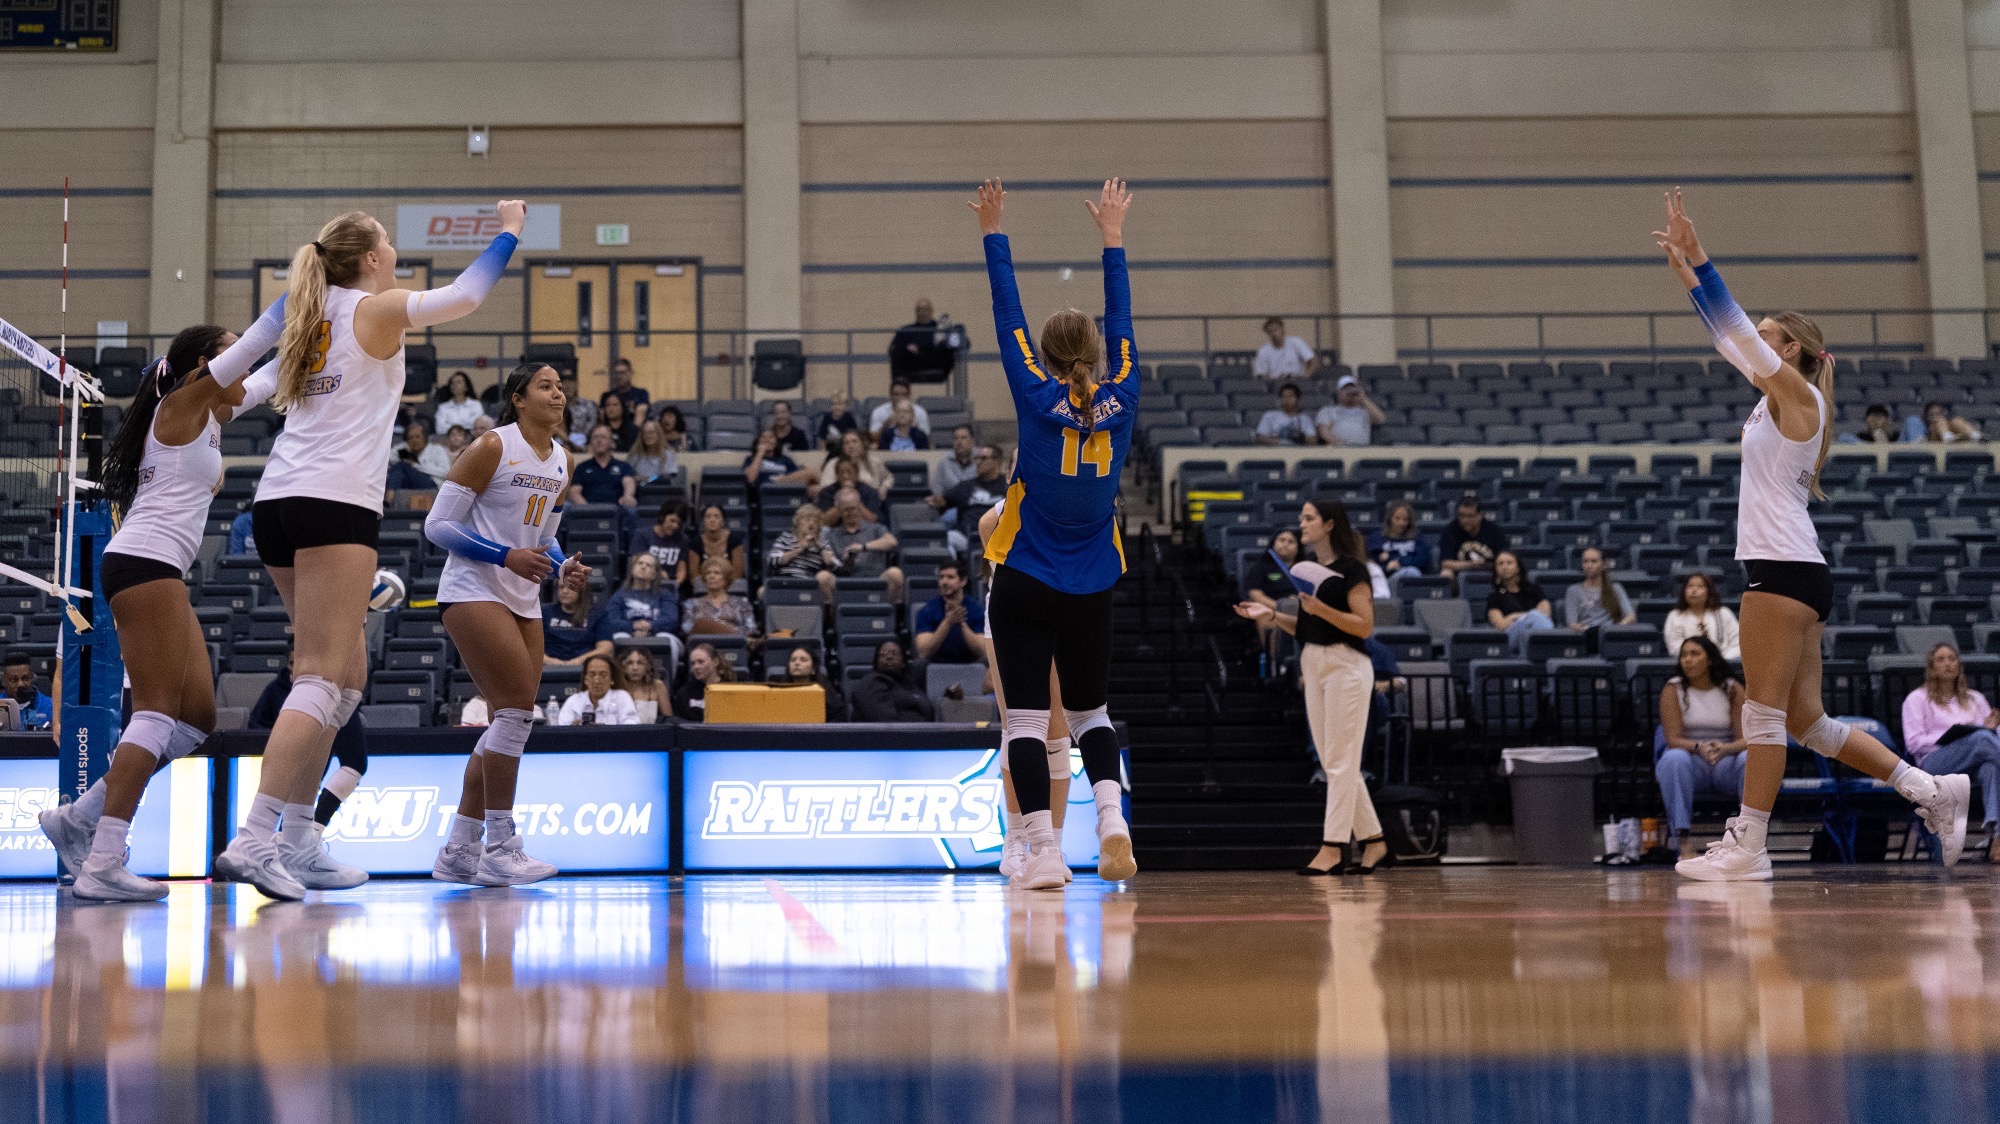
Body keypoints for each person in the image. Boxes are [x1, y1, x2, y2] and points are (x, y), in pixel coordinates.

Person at [196, 199, 524, 900]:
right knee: (320, 676)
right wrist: (509, 231)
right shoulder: (370, 308)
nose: (395, 257)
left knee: (345, 678)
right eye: (388, 247)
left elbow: (243, 384)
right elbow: (466, 295)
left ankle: (299, 838)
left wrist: (205, 402)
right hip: (333, 502)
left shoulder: (304, 309)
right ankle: (254, 839)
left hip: (279, 502)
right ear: (371, 258)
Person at [1654, 187, 1967, 879]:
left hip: (1780, 570)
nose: (1754, 343)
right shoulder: (1778, 398)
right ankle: (1932, 789)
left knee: (1761, 719)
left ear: (1791, 349)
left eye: (1768, 336)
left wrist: (1702, 259)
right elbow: (1729, 334)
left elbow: (1732, 328)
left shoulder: (1799, 395)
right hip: (1798, 570)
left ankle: (1749, 847)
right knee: (1808, 726)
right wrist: (1689, 274)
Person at [35, 328, 270, 899]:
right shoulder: (182, 401)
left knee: (196, 721)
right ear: (202, 364)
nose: (242, 360)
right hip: (144, 562)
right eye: (230, 350)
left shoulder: (209, 417)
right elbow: (254, 353)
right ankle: (103, 862)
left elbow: (263, 381)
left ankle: (81, 817)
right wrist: (307, 298)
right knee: (158, 713)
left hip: (160, 569)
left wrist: (325, 336)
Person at [972, 175, 1139, 889]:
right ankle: (1111, 819)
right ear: (1099, 356)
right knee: (1093, 711)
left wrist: (993, 232)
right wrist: (1113, 238)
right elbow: (1122, 315)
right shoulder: (1125, 388)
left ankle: (1041, 852)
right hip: (1092, 581)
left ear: (1040, 357)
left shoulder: (1036, 399)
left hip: (1025, 580)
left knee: (1025, 726)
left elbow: (1004, 309)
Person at [425, 361, 590, 885]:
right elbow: (438, 525)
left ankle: (459, 849)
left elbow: (545, 535)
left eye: (561, 387)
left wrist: (562, 565)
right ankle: (501, 844)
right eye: (546, 386)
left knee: (508, 721)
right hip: (472, 589)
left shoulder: (563, 460)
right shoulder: (493, 446)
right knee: (518, 715)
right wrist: (504, 556)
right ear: (519, 398)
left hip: (523, 596)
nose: (558, 394)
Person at [1233, 497, 1384, 875]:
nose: (1302, 524)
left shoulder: (1352, 570)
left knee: (1339, 761)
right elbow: (1307, 627)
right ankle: (1375, 840)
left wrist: (1323, 610)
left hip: (1346, 666)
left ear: (1330, 524)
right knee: (1336, 760)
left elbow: (1363, 626)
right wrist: (1272, 615)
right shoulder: (1310, 569)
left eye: (1309, 517)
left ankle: (1333, 847)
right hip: (1313, 661)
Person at [976, 500, 1074, 883]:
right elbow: (987, 526)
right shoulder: (1011, 504)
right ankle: (1016, 841)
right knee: (1016, 726)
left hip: (1065, 610)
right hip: (1012, 612)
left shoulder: (1076, 498)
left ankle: (1051, 846)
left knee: (1058, 733)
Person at [246, 657, 369, 848]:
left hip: (336, 687)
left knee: (340, 767)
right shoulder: (278, 689)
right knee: (314, 772)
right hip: (326, 684)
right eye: (292, 661)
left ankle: (296, 838)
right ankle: (262, 838)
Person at [1901, 643, 2000, 861]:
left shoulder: (1976, 699)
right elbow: (1914, 743)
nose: (1948, 663)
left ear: (1959, 665)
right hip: (1935, 763)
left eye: (1952, 658)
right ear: (1932, 667)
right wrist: (1953, 738)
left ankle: (1998, 836)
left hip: (1976, 761)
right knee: (1981, 738)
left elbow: (1993, 737)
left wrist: (1992, 730)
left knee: (1991, 767)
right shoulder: (1916, 699)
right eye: (1941, 659)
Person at [1655, 636, 1748, 856]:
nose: (1687, 660)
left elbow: (1746, 738)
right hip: (1692, 759)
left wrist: (1724, 749)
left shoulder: (1732, 688)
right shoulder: (1673, 689)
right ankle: (1683, 841)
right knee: (1673, 758)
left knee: (1750, 758)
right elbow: (1672, 738)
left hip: (1726, 759)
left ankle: (1748, 841)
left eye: (1694, 654)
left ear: (1710, 660)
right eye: (1684, 655)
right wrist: (1699, 746)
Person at [824, 486, 904, 601]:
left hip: (876, 580)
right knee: (823, 577)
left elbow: (892, 542)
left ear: (860, 506)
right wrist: (844, 561)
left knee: (895, 573)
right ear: (839, 511)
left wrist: (863, 547)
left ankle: (889, 616)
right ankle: (831, 618)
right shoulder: (832, 534)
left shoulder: (876, 528)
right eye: (846, 510)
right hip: (843, 583)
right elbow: (829, 561)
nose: (850, 512)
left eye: (853, 508)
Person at [1244, 528, 1302, 665]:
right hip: (1272, 609)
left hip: (1300, 609)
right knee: (1267, 621)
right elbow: (1255, 594)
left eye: (1291, 542)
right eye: (1282, 540)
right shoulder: (1262, 566)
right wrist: (1280, 606)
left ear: (1298, 548)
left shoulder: (1304, 569)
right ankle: (1277, 665)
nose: (1286, 544)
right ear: (1273, 544)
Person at [913, 560, 987, 664]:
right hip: (936, 667)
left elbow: (983, 652)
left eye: (950, 577)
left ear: (963, 581)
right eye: (941, 577)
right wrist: (948, 622)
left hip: (970, 667)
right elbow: (924, 652)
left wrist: (961, 623)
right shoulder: (927, 611)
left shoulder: (978, 611)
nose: (944, 582)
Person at [766, 502, 843, 599]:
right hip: (785, 582)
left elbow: (838, 567)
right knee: (762, 591)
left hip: (809, 585)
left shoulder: (822, 544)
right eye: (807, 520)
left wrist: (820, 547)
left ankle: (826, 613)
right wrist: (800, 549)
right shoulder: (786, 538)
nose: (811, 524)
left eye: (815, 521)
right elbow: (772, 560)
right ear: (798, 523)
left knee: (823, 576)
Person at [1486, 550, 1554, 655]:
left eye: (1509, 563)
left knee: (1536, 617)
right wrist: (1527, 617)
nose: (1504, 566)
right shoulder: (1494, 597)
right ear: (1496, 569)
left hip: (1534, 633)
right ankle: (1549, 647)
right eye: (1500, 564)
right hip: (1511, 638)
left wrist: (1514, 617)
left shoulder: (1534, 589)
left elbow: (1545, 614)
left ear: (1518, 568)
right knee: (1534, 615)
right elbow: (1500, 624)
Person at [936, 444, 1010, 542]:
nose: (978, 462)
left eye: (983, 458)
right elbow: (941, 501)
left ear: (998, 462)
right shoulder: (966, 486)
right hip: (966, 538)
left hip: (999, 539)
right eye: (977, 458)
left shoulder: (1007, 487)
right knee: (947, 539)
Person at [851, 639, 935, 722]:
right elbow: (886, 721)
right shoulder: (870, 683)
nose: (889, 657)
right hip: (885, 734)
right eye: (883, 654)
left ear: (903, 661)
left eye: (894, 653)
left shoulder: (909, 681)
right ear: (876, 662)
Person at [1664, 571, 1740, 661]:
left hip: (1723, 664)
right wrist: (1699, 660)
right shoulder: (1675, 616)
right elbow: (1675, 648)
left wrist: (1720, 661)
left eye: (1700, 586)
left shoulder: (1724, 613)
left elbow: (1738, 644)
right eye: (1690, 586)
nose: (1694, 590)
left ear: (1709, 591)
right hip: (1689, 665)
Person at [889, 297, 967, 383]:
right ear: (916, 311)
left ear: (931, 310)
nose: (922, 312)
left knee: (952, 337)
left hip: (936, 362)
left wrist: (946, 338)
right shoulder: (906, 330)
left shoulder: (942, 329)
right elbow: (893, 348)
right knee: (897, 350)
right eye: (919, 309)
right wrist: (906, 348)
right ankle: (898, 385)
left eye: (925, 309)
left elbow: (964, 344)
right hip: (913, 362)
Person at [607, 552, 680, 638]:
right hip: (628, 634)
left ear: (655, 575)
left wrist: (650, 626)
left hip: (657, 634)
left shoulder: (665, 595)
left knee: (664, 637)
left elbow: (671, 620)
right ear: (632, 569)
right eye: (640, 563)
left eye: (649, 565)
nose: (643, 567)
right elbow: (611, 620)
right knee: (619, 637)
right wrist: (632, 627)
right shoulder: (619, 595)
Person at [1564, 546, 1636, 632]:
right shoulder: (1573, 590)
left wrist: (1617, 628)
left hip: (1610, 634)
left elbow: (1631, 616)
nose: (1589, 565)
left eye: (1594, 561)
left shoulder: (1616, 588)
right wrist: (1584, 630)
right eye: (1585, 561)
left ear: (1603, 565)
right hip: (1587, 635)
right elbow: (1572, 623)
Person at [542, 580, 614, 667]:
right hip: (547, 666)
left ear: (582, 590)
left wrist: (578, 661)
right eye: (561, 587)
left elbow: (605, 648)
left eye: (570, 587)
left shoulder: (598, 614)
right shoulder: (544, 612)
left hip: (584, 666)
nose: (565, 591)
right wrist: (550, 661)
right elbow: (530, 647)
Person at [556, 653, 640, 726]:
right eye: (592, 675)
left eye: (603, 675)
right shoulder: (574, 701)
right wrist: (572, 728)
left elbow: (632, 726)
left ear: (612, 679)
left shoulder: (622, 697)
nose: (597, 680)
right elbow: (561, 729)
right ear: (585, 679)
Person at [682, 556, 757, 638]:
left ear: (726, 578)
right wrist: (717, 626)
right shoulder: (691, 603)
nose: (711, 576)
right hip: (703, 643)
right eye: (708, 573)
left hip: (733, 644)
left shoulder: (742, 602)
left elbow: (751, 628)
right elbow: (686, 629)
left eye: (716, 573)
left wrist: (725, 628)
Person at [568, 425, 638, 509]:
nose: (599, 440)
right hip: (588, 511)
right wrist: (586, 509)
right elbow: (574, 492)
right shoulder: (581, 467)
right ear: (591, 443)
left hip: (617, 511)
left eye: (603, 437)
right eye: (595, 437)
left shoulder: (623, 466)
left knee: (631, 509)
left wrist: (628, 496)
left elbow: (629, 483)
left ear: (611, 442)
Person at [1437, 496, 1506, 578]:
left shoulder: (1494, 531)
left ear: (1479, 516)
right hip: (1459, 575)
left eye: (1470, 516)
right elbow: (1446, 563)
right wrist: (1472, 564)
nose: (1465, 520)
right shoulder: (1450, 530)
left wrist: (1487, 565)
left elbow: (1503, 559)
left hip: (1490, 573)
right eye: (1462, 516)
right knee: (1446, 573)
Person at [1365, 501, 1432, 585]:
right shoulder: (1377, 537)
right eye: (1397, 518)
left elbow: (1423, 559)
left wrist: (1398, 561)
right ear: (1390, 518)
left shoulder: (1417, 537)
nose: (1401, 523)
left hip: (1412, 576)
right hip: (1386, 578)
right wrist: (1386, 567)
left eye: (1405, 519)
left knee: (1412, 572)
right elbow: (1371, 561)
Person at [631, 501, 692, 590]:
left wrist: (674, 585)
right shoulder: (643, 535)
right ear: (662, 517)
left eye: (679, 523)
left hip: (670, 586)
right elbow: (636, 562)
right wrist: (657, 572)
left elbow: (681, 569)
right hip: (645, 583)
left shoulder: (682, 540)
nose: (675, 526)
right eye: (672, 520)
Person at [779, 645, 849, 723]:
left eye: (803, 660)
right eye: (793, 660)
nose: (797, 663)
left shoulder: (824, 689)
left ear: (813, 669)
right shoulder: (779, 690)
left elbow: (840, 715)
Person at [1315, 374, 1386, 447]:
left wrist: (1363, 398)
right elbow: (1324, 431)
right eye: (1345, 388)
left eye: (1352, 388)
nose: (1349, 391)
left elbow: (1380, 419)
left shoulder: (1365, 411)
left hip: (1362, 449)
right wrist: (1336, 442)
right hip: (1339, 448)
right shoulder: (1328, 411)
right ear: (1339, 392)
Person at [674, 641, 733, 721]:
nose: (696, 667)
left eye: (701, 662)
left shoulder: (732, 690)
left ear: (715, 662)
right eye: (693, 663)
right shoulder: (684, 693)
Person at [690, 504, 746, 587]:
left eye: (716, 517)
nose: (712, 520)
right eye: (708, 517)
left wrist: (721, 588)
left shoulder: (734, 540)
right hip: (705, 588)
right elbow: (694, 576)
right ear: (703, 521)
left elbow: (738, 573)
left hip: (730, 587)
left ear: (723, 521)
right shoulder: (695, 542)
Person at [819, 428, 889, 494]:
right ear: (843, 447)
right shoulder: (833, 463)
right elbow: (826, 488)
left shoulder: (874, 461)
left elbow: (888, 478)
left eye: (855, 441)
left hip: (870, 502)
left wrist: (884, 487)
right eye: (847, 443)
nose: (851, 446)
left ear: (862, 444)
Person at [815, 457, 884, 522]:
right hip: (835, 531)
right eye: (841, 473)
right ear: (837, 475)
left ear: (857, 474)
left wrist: (854, 500)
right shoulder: (827, 492)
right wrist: (842, 499)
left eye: (849, 472)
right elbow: (825, 522)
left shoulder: (869, 492)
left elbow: (872, 520)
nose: (846, 476)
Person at [1252, 316, 1319, 381]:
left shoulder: (1296, 342)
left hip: (1297, 382)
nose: (1273, 334)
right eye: (1270, 332)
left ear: (1282, 330)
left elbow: (1313, 362)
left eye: (1275, 330)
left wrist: (1304, 377)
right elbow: (1261, 374)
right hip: (1276, 385)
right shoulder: (1263, 351)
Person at [1255, 382, 1320, 446]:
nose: (1286, 399)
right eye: (1283, 397)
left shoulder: (1304, 418)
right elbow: (1259, 438)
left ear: (1298, 399)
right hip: (1274, 452)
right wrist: (1273, 440)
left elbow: (1313, 440)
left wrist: (1300, 437)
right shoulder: (1269, 415)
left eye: (1290, 396)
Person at [618, 646, 672, 721]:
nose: (635, 668)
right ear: (623, 666)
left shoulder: (657, 686)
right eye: (630, 663)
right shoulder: (617, 687)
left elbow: (668, 720)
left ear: (648, 666)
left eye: (640, 663)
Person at [742, 428, 811, 487]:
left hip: (783, 488)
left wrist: (785, 479)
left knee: (812, 479)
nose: (767, 440)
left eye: (771, 437)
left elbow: (797, 478)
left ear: (776, 442)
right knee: (812, 473)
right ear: (758, 442)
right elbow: (751, 479)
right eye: (763, 437)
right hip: (763, 490)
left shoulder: (785, 459)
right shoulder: (751, 459)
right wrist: (760, 453)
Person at [393, 418, 451, 483]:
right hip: (411, 482)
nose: (414, 440)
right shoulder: (405, 449)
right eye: (410, 438)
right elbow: (389, 457)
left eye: (418, 436)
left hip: (432, 482)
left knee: (401, 465)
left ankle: (390, 492)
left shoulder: (437, 449)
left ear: (425, 437)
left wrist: (417, 465)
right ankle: (390, 491)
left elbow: (446, 473)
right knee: (398, 467)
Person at [600, 355, 650, 422]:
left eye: (622, 373)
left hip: (635, 430)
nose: (619, 376)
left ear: (630, 373)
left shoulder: (641, 393)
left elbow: (640, 417)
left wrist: (632, 431)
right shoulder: (607, 396)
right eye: (616, 373)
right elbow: (603, 420)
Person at [933, 424, 979, 496]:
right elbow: (937, 490)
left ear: (972, 441)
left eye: (963, 438)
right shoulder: (944, 464)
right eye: (956, 438)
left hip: (976, 504)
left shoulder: (981, 462)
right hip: (950, 505)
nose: (959, 442)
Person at [628, 419, 677, 483]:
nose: (648, 436)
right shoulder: (635, 454)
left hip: (660, 489)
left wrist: (647, 480)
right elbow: (628, 476)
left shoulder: (669, 454)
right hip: (639, 490)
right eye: (645, 433)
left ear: (659, 434)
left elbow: (667, 478)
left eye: (651, 432)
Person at [1913, 400, 1983, 443]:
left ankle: (1975, 435)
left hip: (1956, 439)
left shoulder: (1948, 423)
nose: (1935, 418)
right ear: (1926, 416)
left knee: (1957, 420)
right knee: (1940, 422)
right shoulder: (1927, 427)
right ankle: (1947, 437)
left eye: (1938, 414)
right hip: (1936, 440)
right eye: (1932, 415)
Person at [559, 370, 597, 445]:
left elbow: (593, 425)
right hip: (560, 441)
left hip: (584, 441)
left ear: (576, 385)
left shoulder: (588, 405)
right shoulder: (554, 407)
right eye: (564, 382)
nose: (567, 386)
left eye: (571, 382)